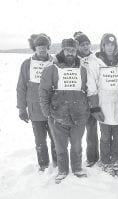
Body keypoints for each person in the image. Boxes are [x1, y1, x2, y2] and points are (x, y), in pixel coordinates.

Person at [39, 38, 89, 183]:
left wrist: (88, 109)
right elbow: (43, 91)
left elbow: (87, 89)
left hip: (79, 115)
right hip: (57, 114)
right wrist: (46, 111)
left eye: (73, 50)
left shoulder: (83, 70)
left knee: (77, 145)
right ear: (62, 50)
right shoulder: (51, 69)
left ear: (76, 51)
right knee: (60, 146)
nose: (70, 53)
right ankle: (62, 170)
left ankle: (77, 168)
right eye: (67, 50)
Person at [17, 33, 57, 172]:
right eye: (39, 47)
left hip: (53, 109)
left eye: (44, 46)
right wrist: (22, 108)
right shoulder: (27, 64)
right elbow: (21, 87)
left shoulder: (54, 62)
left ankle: (58, 163)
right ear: (35, 47)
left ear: (48, 47)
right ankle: (43, 164)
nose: (42, 49)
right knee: (40, 141)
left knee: (56, 139)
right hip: (35, 110)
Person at [88, 33, 118, 177]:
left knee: (117, 136)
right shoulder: (96, 62)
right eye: (107, 45)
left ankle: (116, 160)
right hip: (104, 105)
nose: (110, 47)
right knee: (105, 136)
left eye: (112, 45)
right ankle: (105, 161)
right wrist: (95, 108)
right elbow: (91, 86)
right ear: (102, 46)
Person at [74, 32, 99, 167]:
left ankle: (92, 157)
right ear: (77, 47)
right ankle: (76, 158)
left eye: (87, 44)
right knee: (77, 133)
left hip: (93, 99)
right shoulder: (73, 59)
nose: (85, 46)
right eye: (82, 44)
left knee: (92, 130)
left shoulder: (95, 59)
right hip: (77, 100)